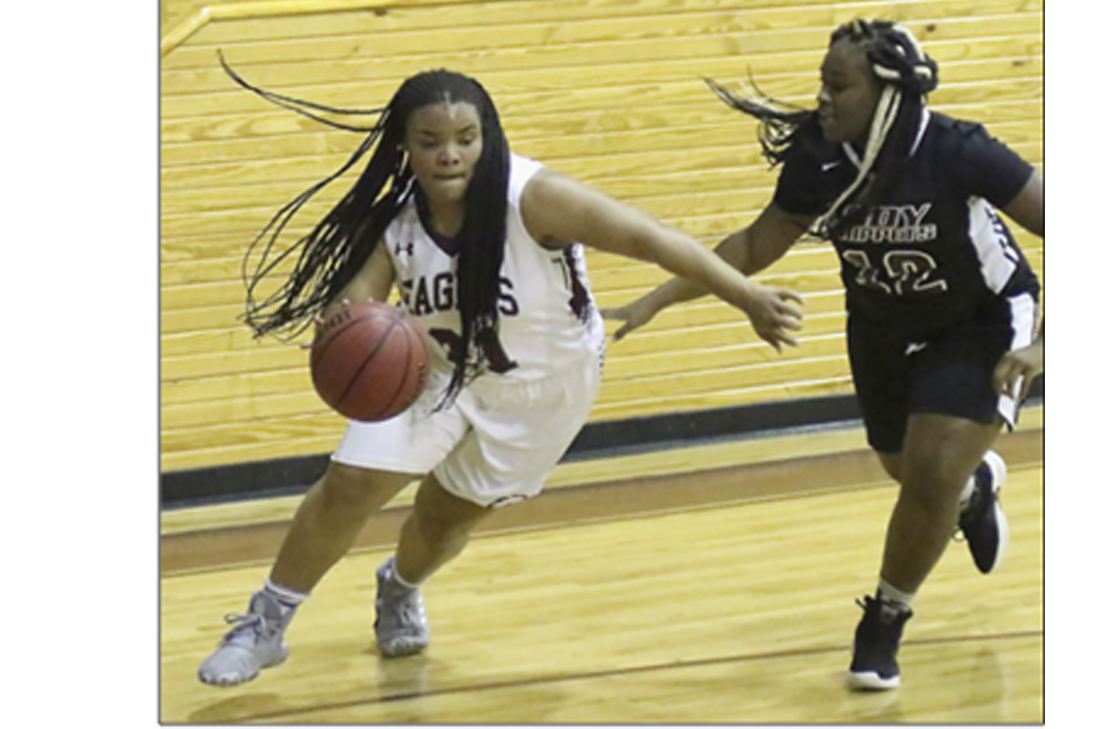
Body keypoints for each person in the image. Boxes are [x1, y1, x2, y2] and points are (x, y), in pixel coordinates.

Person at [197, 61, 804, 687]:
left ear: (487, 138)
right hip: (433, 375)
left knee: (443, 519)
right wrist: (345, 331)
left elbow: (650, 238)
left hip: (542, 387)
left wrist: (746, 296)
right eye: (430, 141)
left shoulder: (534, 197)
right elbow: (357, 306)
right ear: (404, 147)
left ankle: (400, 584)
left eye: (466, 138)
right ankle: (265, 624)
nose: (450, 154)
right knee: (350, 482)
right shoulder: (395, 223)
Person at [605, 19, 1044, 691]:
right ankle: (972, 490)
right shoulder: (820, 157)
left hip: (979, 321)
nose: (822, 98)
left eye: (838, 85)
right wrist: (657, 300)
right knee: (907, 469)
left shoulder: (959, 150)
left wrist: (1045, 347)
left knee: (928, 474)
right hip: (880, 327)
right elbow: (755, 245)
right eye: (822, 82)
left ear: (887, 92)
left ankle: (886, 617)